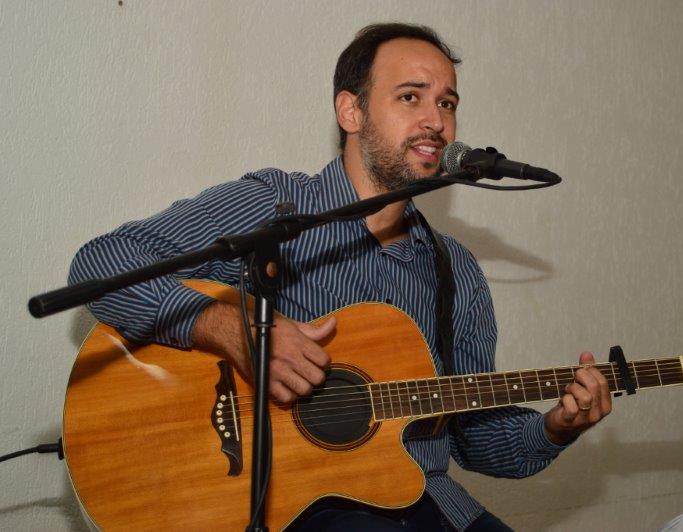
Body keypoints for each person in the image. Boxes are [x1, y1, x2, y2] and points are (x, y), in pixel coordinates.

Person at [69, 23, 612, 531]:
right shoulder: (275, 208)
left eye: (447, 103)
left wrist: (554, 428)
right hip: (288, 506)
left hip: (423, 500)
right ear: (351, 111)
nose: (436, 121)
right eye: (411, 97)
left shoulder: (457, 273)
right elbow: (100, 264)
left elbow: (474, 437)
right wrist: (235, 331)